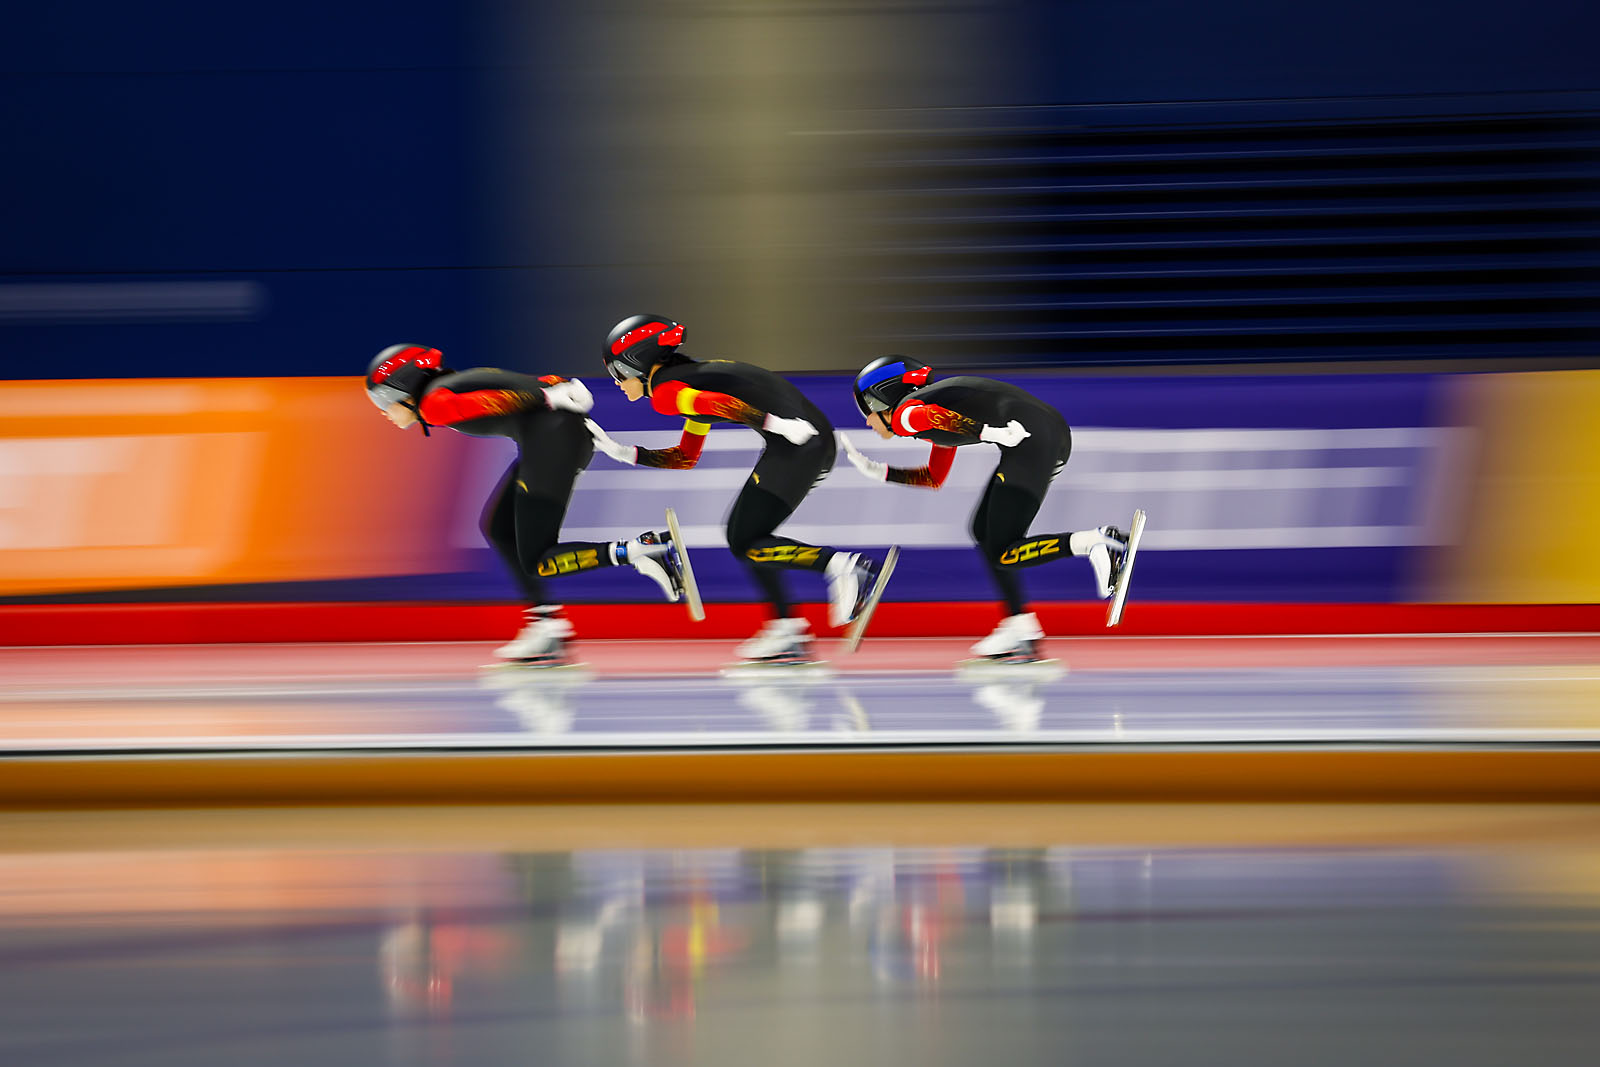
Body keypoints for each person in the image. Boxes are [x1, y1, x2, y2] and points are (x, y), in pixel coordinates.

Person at [364, 343, 685, 665]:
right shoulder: (452, 384)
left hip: (552, 442)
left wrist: (550, 397)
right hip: (552, 438)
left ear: (405, 388)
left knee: (540, 560)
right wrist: (554, 389)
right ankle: (546, 626)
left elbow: (493, 400)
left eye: (383, 399)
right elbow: (525, 384)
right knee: (500, 528)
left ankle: (641, 550)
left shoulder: (434, 403)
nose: (382, 410)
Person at [583, 314, 878, 664]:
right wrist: (623, 453)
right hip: (807, 441)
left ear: (637, 361)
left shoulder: (666, 392)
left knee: (744, 540)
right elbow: (685, 456)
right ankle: (787, 628)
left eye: (617, 371)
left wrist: (775, 425)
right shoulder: (689, 381)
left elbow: (717, 406)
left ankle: (841, 568)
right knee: (748, 535)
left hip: (797, 442)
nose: (616, 382)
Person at [838, 355, 1128, 662]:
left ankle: (1098, 543)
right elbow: (933, 477)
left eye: (867, 409)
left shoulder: (907, 413)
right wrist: (878, 471)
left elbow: (931, 416)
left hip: (1028, 439)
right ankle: (1019, 625)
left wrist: (990, 433)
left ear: (884, 397)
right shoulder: (931, 411)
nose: (867, 421)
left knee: (1003, 550)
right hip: (1043, 438)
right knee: (983, 530)